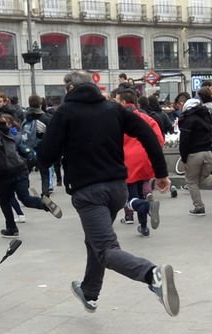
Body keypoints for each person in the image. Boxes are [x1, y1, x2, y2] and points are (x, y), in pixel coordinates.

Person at [37, 71, 179, 316]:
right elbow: (146, 133)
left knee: (105, 249)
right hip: (117, 188)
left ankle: (151, 275)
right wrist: (161, 172)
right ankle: (89, 291)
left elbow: (46, 156)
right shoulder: (112, 108)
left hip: (88, 191)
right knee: (94, 240)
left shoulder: (65, 112)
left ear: (69, 88)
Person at [0, 100, 63, 238]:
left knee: (4, 200)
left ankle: (11, 228)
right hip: (19, 166)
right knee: (25, 198)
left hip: (3, 170)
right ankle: (44, 204)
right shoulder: (3, 124)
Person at [114, 89, 163, 236]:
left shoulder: (118, 120)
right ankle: (143, 227)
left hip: (127, 162)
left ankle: (147, 207)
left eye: (116, 101)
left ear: (123, 102)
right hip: (145, 161)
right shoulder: (147, 118)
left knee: (131, 198)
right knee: (142, 193)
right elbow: (159, 140)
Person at [178, 88, 212, 216]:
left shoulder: (188, 119)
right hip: (208, 152)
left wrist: (184, 158)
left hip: (194, 154)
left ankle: (199, 207)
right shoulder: (206, 117)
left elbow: (184, 141)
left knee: (191, 181)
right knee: (203, 179)